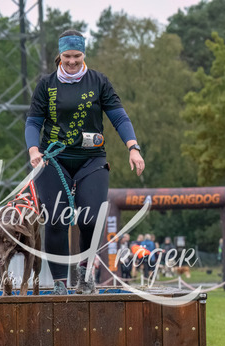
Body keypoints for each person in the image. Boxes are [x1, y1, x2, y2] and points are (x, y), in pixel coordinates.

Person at [26, 29, 144, 295]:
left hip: (91, 159)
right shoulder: (47, 85)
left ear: (83, 55)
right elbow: (33, 122)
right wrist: (34, 150)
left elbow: (119, 117)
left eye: (76, 56)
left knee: (91, 217)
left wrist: (133, 147)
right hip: (53, 160)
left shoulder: (98, 82)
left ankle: (85, 273)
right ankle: (59, 282)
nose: (72, 61)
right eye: (67, 56)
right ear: (60, 56)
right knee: (56, 218)